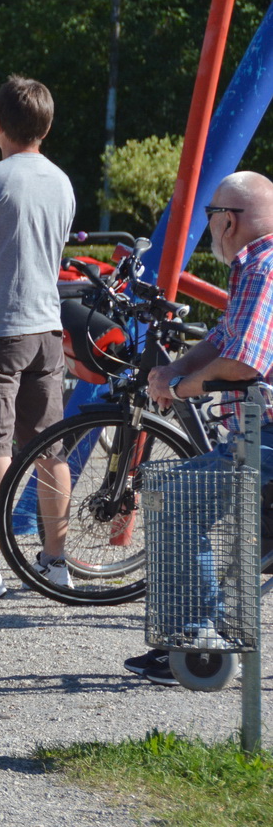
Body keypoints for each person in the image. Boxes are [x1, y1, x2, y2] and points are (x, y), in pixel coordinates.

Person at [130, 172, 273, 683]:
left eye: (211, 213)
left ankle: (198, 635)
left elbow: (244, 363)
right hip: (257, 434)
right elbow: (222, 337)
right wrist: (173, 370)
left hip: (267, 439)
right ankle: (185, 635)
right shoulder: (253, 265)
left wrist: (192, 385)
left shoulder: (263, 267)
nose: (209, 223)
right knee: (178, 492)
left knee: (174, 496)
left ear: (228, 219)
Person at [0, 76, 76, 600]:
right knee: (51, 447)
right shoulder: (62, 181)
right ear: (47, 126)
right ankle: (57, 561)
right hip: (47, 324)